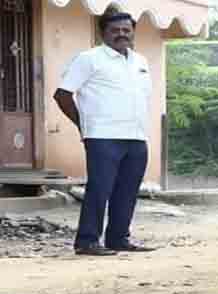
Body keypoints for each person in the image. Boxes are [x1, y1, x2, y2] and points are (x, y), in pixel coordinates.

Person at [54, 9, 155, 256]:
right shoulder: (89, 59)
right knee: (100, 189)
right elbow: (62, 95)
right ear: (103, 33)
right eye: (115, 30)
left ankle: (118, 239)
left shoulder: (140, 61)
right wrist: (83, 125)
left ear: (132, 32)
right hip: (102, 136)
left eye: (126, 30)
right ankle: (87, 241)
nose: (121, 34)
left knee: (128, 190)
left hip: (136, 136)